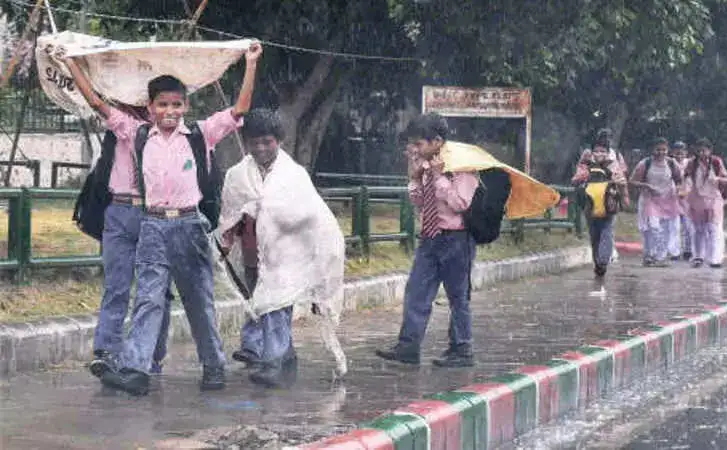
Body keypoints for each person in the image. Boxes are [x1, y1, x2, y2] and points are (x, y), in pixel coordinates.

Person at [63, 42, 263, 395]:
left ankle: (213, 366)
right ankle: (136, 371)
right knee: (148, 299)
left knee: (198, 299)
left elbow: (240, 109)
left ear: (185, 105)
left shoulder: (202, 134)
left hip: (189, 225)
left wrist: (250, 64)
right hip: (152, 225)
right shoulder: (136, 134)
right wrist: (70, 63)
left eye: (176, 104)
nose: (169, 111)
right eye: (162, 104)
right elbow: (98, 103)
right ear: (150, 108)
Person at [218, 108, 347, 386]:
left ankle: (272, 361)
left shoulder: (294, 175)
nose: (261, 148)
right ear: (246, 142)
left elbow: (311, 215)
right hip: (254, 255)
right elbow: (230, 215)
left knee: (276, 305)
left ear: (279, 141)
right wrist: (228, 238)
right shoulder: (237, 175)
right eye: (255, 142)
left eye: (268, 141)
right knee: (262, 305)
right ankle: (284, 355)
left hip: (288, 255)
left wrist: (270, 211)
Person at [61, 97, 175, 378]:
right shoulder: (117, 122)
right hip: (119, 211)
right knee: (116, 286)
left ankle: (150, 356)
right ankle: (107, 353)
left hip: (156, 214)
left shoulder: (169, 130)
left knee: (157, 292)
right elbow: (95, 100)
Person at [376, 113, 479, 368]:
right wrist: (415, 178)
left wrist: (439, 178)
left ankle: (461, 349)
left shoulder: (462, 167)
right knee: (416, 292)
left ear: (437, 141)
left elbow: (460, 203)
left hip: (457, 238)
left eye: (419, 144)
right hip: (430, 237)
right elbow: (420, 203)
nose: (413, 149)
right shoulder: (424, 165)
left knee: (458, 296)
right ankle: (408, 346)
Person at [572, 138, 629, 277]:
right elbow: (575, 180)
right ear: (591, 152)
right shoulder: (585, 165)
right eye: (596, 151)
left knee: (607, 232)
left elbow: (622, 183)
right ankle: (597, 263)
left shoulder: (614, 166)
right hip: (590, 206)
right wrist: (585, 175)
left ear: (608, 152)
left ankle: (603, 261)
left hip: (609, 205)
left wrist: (624, 196)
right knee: (594, 235)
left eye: (602, 151)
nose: (599, 154)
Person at [629, 137, 682, 267]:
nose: (661, 152)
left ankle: (660, 256)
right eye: (658, 149)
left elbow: (679, 180)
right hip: (649, 200)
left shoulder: (672, 163)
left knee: (664, 229)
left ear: (667, 150)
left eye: (664, 149)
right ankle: (649, 254)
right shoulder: (645, 163)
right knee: (652, 227)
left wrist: (679, 191)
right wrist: (647, 186)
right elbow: (632, 181)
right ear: (653, 150)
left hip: (667, 200)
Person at [684, 138, 727, 268]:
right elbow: (685, 178)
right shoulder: (692, 163)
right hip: (697, 199)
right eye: (699, 150)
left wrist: (717, 179)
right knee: (698, 229)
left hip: (713, 199)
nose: (702, 153)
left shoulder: (716, 162)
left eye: (704, 150)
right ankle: (698, 256)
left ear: (710, 150)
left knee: (713, 228)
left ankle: (716, 259)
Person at [669, 141, 693, 260]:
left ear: (686, 153)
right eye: (677, 153)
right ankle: (675, 252)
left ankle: (688, 250)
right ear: (673, 153)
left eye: (681, 153)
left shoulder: (690, 164)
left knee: (688, 226)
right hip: (672, 199)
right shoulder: (669, 163)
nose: (679, 156)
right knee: (674, 227)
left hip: (688, 199)